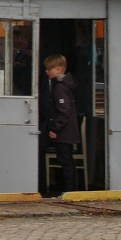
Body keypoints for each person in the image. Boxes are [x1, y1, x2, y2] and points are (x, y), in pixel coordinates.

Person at [43, 54, 80, 195]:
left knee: (65, 160)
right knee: (66, 159)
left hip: (64, 131)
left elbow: (63, 110)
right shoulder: (66, 85)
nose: (47, 71)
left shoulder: (60, 88)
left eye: (49, 69)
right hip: (68, 130)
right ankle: (69, 188)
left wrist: (55, 128)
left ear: (58, 69)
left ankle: (70, 189)